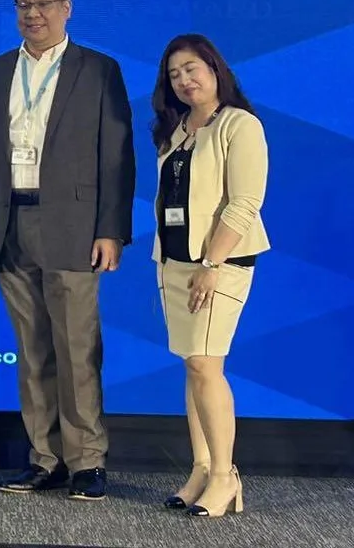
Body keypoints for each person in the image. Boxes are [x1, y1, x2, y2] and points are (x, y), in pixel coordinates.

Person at [0, 0, 135, 502]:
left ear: (67, 7)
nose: (33, 14)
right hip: (9, 224)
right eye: (24, 4)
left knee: (76, 348)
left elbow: (116, 155)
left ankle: (87, 461)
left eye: (43, 3)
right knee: (32, 351)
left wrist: (111, 229)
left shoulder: (98, 69)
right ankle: (45, 459)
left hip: (73, 227)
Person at [150, 34, 267, 519]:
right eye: (174, 74)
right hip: (175, 263)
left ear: (215, 69)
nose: (184, 80)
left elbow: (244, 203)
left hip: (219, 264)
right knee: (193, 365)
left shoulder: (239, 125)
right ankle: (201, 468)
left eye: (192, 69)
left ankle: (225, 475)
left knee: (205, 364)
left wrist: (211, 265)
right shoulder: (177, 129)